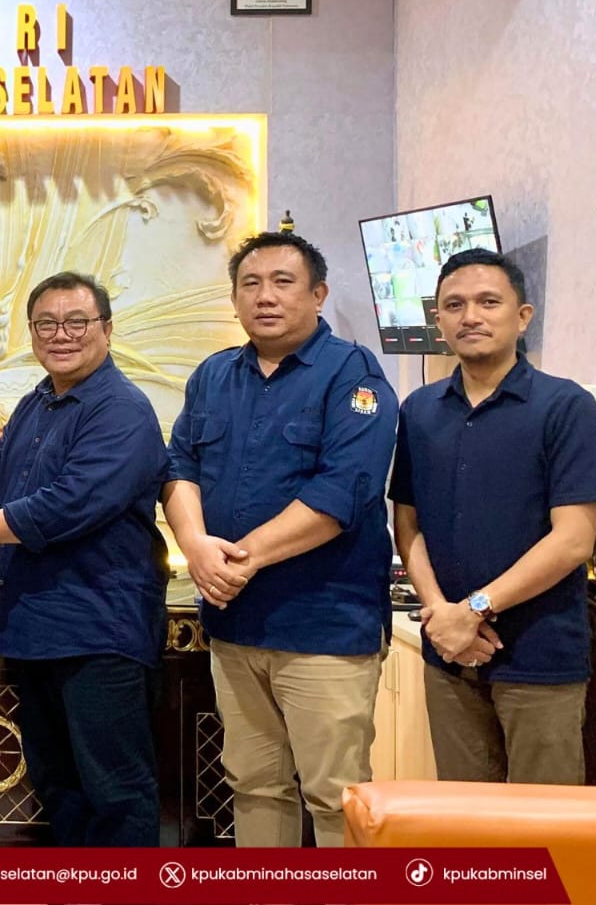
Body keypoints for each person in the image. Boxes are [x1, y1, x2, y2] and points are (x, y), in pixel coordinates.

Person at [161, 230, 397, 847]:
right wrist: (195, 545)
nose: (265, 297)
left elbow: (343, 493)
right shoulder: (213, 375)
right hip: (235, 624)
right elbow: (178, 466)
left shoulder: (352, 374)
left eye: (283, 282)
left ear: (318, 295)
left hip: (323, 626)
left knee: (336, 796)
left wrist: (240, 558)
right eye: (251, 284)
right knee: (254, 785)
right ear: (234, 299)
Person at [0, 272, 169, 846]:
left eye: (76, 322)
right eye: (46, 324)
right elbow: (1, 480)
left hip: (98, 631)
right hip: (35, 627)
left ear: (106, 329)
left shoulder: (122, 410)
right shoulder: (36, 403)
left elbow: (68, 505)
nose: (61, 335)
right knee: (58, 784)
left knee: (116, 791)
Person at [390, 249, 596, 784]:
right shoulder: (418, 411)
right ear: (438, 320)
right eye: (455, 305)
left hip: (539, 659)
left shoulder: (565, 407)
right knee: (465, 821)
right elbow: (407, 524)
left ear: (522, 316)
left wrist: (474, 610)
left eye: (488, 302)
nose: (471, 316)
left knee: (543, 822)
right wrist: (442, 614)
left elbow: (573, 540)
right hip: (449, 655)